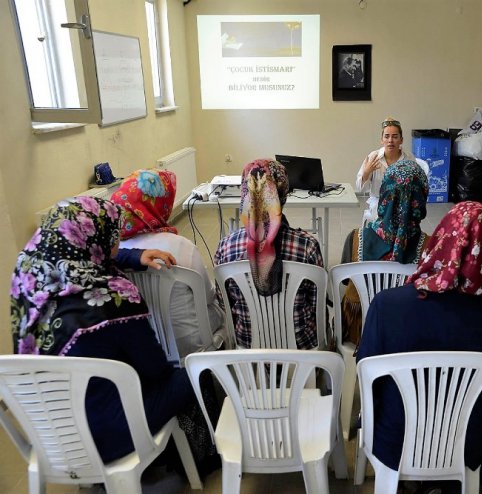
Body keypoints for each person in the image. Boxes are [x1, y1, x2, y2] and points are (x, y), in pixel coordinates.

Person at [9, 196, 216, 469]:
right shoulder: (112, 298)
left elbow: (102, 256)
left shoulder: (29, 279)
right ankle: (198, 459)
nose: (119, 243)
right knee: (196, 371)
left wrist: (133, 256)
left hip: (50, 434)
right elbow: (156, 371)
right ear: (98, 241)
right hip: (108, 437)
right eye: (116, 236)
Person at [356, 201, 482, 477]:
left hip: (394, 441)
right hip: (464, 445)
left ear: (442, 236)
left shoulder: (386, 306)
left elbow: (368, 379)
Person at [111, 168, 228, 356]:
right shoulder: (181, 246)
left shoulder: (114, 250)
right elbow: (207, 297)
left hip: (145, 343)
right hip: (192, 343)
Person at [214, 159, 323, 349]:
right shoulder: (308, 246)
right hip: (300, 347)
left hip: (248, 343)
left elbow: (224, 303)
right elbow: (317, 304)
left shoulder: (225, 247)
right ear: (282, 194)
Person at [340, 159, 430, 344]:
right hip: (408, 336)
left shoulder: (356, 238)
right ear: (421, 198)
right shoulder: (431, 248)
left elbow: (345, 280)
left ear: (384, 195)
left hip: (362, 333)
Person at [356, 117, 430, 223]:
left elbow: (416, 186)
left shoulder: (408, 158)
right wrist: (366, 172)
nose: (390, 140)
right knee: (386, 221)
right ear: (382, 140)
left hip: (403, 203)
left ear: (401, 140)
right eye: (387, 136)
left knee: (406, 221)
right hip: (379, 201)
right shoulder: (373, 157)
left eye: (395, 137)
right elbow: (360, 189)